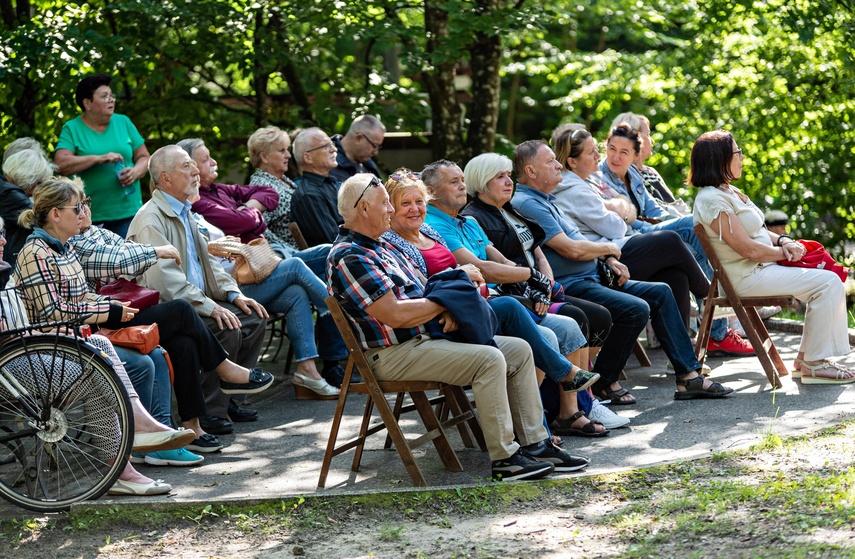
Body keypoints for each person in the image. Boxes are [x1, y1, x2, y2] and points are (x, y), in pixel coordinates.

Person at [329, 173, 592, 480]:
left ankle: (536, 444)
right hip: (392, 353)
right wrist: (446, 302)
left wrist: (448, 306)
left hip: (427, 337)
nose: (390, 210)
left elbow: (426, 288)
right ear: (362, 209)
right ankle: (506, 458)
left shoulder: (381, 246)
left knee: (519, 350)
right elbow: (396, 315)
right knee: (490, 358)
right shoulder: (351, 255)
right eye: (387, 204)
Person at [380, 170, 611, 436]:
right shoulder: (392, 242)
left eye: (418, 201)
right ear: (390, 209)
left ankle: (547, 424)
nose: (414, 209)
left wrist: (531, 282)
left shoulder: (429, 231)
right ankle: (559, 388)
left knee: (553, 329)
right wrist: (455, 300)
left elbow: (469, 270)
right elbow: (426, 287)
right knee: (513, 310)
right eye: (404, 204)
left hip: (471, 303)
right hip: (448, 317)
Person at [511, 140, 734, 403]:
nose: (558, 164)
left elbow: (581, 237)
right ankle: (605, 380)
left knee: (663, 289)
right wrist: (607, 248)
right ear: (531, 171)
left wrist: (607, 257)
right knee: (638, 305)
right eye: (550, 161)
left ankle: (688, 377)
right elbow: (570, 249)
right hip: (572, 284)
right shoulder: (528, 203)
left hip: (595, 273)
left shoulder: (548, 199)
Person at [70, 199, 277, 462]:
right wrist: (156, 252)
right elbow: (119, 260)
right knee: (181, 310)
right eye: (76, 206)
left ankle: (191, 426)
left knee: (184, 342)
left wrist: (146, 254)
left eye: (86, 202)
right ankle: (224, 368)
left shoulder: (97, 233)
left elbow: (128, 251)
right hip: (100, 323)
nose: (85, 209)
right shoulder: (71, 244)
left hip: (123, 311)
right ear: (57, 214)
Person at [127, 146, 282, 429]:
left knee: (254, 316)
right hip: (172, 309)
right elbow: (166, 284)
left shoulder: (185, 210)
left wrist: (234, 294)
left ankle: (232, 396)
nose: (196, 171)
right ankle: (211, 411)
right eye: (186, 166)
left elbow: (208, 263)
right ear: (165, 178)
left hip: (197, 300)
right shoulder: (151, 219)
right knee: (225, 325)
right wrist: (212, 307)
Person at [178, 138, 348, 391]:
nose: (214, 162)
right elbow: (242, 223)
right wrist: (251, 215)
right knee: (298, 267)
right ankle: (340, 316)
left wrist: (247, 209)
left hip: (259, 268)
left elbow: (269, 194)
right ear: (189, 168)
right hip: (236, 284)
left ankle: (307, 372)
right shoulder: (198, 201)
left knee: (297, 291)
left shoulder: (220, 190)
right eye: (205, 159)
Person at [690, 130, 854, 384]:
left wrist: (785, 241)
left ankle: (807, 360)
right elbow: (749, 249)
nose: (742, 157)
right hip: (746, 277)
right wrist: (782, 252)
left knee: (828, 278)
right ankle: (814, 363)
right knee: (827, 283)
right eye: (737, 152)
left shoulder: (728, 191)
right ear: (719, 159)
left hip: (760, 269)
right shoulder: (711, 199)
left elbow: (760, 234)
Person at [597, 124, 754, 358]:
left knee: (690, 239)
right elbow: (621, 224)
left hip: (650, 234)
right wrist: (675, 224)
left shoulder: (633, 176)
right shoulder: (599, 179)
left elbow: (654, 208)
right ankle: (720, 313)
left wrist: (673, 221)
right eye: (612, 149)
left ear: (634, 155)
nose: (615, 157)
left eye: (624, 152)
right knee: (694, 225)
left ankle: (714, 322)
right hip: (631, 241)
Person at [551, 125, 710, 330]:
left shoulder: (607, 179)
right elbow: (617, 227)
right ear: (572, 162)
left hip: (618, 245)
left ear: (635, 156)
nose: (600, 156)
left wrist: (620, 208)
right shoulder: (578, 188)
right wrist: (620, 209)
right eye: (593, 152)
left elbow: (637, 211)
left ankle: (683, 353)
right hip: (606, 258)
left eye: (623, 152)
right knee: (671, 238)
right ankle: (709, 296)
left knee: (675, 275)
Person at [54, 74, 150, 238]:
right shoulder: (72, 128)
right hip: (87, 217)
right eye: (104, 96)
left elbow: (145, 157)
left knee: (129, 262)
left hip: (128, 213)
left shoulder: (123, 122)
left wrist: (135, 171)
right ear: (87, 103)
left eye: (111, 95)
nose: (111, 100)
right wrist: (98, 158)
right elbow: (61, 164)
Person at [246, 126, 332, 278]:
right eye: (281, 151)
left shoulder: (284, 180)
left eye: (287, 149)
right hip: (292, 260)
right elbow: (257, 228)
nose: (288, 155)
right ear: (264, 157)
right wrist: (289, 251)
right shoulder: (261, 187)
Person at [609, 113, 692, 217]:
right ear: (635, 138)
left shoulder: (651, 171)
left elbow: (671, 204)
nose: (652, 140)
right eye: (647, 135)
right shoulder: (623, 175)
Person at [290, 128, 343, 247]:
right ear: (308, 157)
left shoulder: (331, 183)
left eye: (332, 144)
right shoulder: (309, 195)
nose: (334, 149)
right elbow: (334, 244)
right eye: (325, 146)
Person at [0, 145, 52, 265]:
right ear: (29, 178)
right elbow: (44, 222)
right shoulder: (11, 194)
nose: (38, 188)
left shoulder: (3, 186)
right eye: (39, 182)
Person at [329, 115, 385, 183]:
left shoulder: (367, 163)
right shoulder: (328, 163)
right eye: (374, 146)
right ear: (358, 138)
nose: (375, 152)